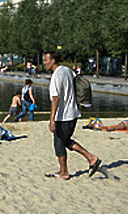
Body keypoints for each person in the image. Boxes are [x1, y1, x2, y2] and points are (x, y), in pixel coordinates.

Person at [44, 51, 101, 180]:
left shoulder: (56, 76)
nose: (44, 62)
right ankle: (91, 158)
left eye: (46, 59)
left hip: (63, 115)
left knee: (59, 143)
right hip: (73, 112)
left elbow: (55, 98)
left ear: (53, 61)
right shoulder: (68, 71)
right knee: (66, 141)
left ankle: (64, 172)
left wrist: (52, 119)